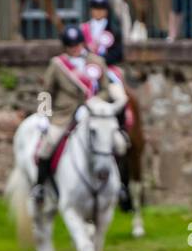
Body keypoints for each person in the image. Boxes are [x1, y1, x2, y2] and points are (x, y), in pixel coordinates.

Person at [31, 26, 127, 202]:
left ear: (82, 43)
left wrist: (92, 103)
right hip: (64, 115)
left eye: (77, 44)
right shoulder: (57, 64)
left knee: (119, 144)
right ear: (65, 46)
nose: (75, 49)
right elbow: (46, 92)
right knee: (47, 145)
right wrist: (43, 116)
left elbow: (105, 90)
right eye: (71, 46)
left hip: (92, 113)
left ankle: (120, 185)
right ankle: (40, 187)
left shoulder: (97, 61)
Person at [82, 0, 125, 66]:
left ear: (107, 11)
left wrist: (102, 61)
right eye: (95, 8)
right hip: (88, 66)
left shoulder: (113, 29)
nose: (98, 12)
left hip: (107, 65)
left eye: (102, 9)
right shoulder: (84, 28)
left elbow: (118, 52)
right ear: (91, 10)